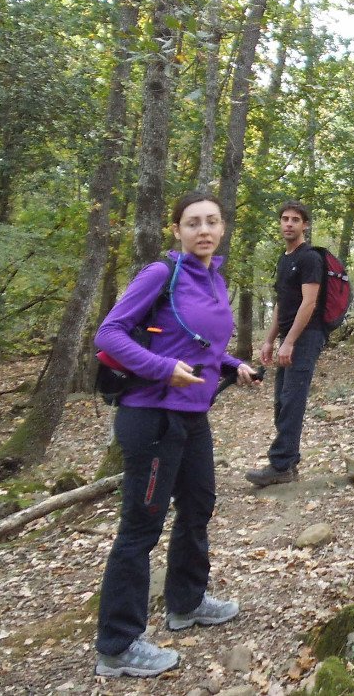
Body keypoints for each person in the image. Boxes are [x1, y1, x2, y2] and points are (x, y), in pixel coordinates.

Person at [93, 191, 259, 680]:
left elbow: (196, 344)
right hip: (152, 417)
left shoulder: (213, 278)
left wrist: (234, 364)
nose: (203, 230)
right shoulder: (161, 274)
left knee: (198, 505)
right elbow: (110, 334)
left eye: (211, 221)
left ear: (223, 228)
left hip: (192, 416)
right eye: (192, 223)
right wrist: (164, 369)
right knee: (140, 528)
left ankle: (186, 602)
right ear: (177, 231)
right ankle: (117, 645)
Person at [246, 199, 327, 488]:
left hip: (307, 337)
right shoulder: (285, 259)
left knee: (292, 400)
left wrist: (290, 342)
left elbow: (309, 303)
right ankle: (289, 462)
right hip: (288, 338)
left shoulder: (309, 259)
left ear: (305, 225)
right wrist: (270, 340)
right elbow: (283, 304)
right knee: (282, 399)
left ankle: (280, 465)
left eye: (295, 219)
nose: (289, 224)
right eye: (285, 219)